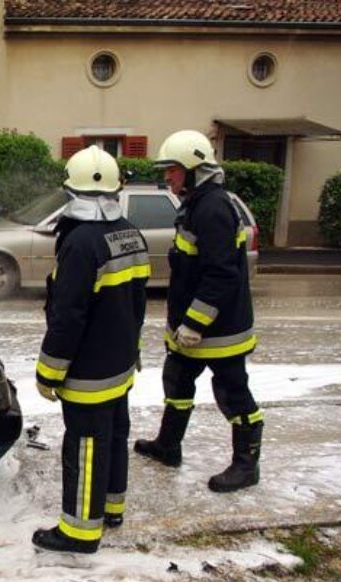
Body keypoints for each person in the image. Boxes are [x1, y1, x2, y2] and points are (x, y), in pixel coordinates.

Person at [33, 146, 150, 555]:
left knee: (84, 444)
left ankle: (80, 532)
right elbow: (138, 304)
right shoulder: (130, 233)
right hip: (120, 364)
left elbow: (68, 317)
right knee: (115, 436)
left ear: (71, 190)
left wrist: (48, 371)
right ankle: (111, 507)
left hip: (88, 371)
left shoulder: (81, 243)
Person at [134, 129, 263, 493]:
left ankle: (246, 465)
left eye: (173, 169)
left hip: (220, 331)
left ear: (194, 169)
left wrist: (194, 322)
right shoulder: (195, 204)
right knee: (176, 383)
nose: (168, 177)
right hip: (189, 329)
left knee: (234, 395)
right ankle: (168, 446)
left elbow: (221, 274)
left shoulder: (213, 208)